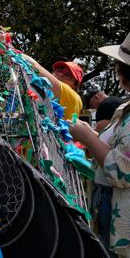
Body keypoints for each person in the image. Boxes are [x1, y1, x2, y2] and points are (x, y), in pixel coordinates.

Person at [69, 32, 130, 257]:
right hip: (107, 207)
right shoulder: (125, 108)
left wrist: (88, 138)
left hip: (122, 219)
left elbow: (123, 172)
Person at [23, 55, 84, 120]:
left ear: (75, 86)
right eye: (59, 70)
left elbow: (34, 66)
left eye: (67, 75)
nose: (60, 74)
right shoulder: (45, 92)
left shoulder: (72, 95)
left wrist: (15, 52)